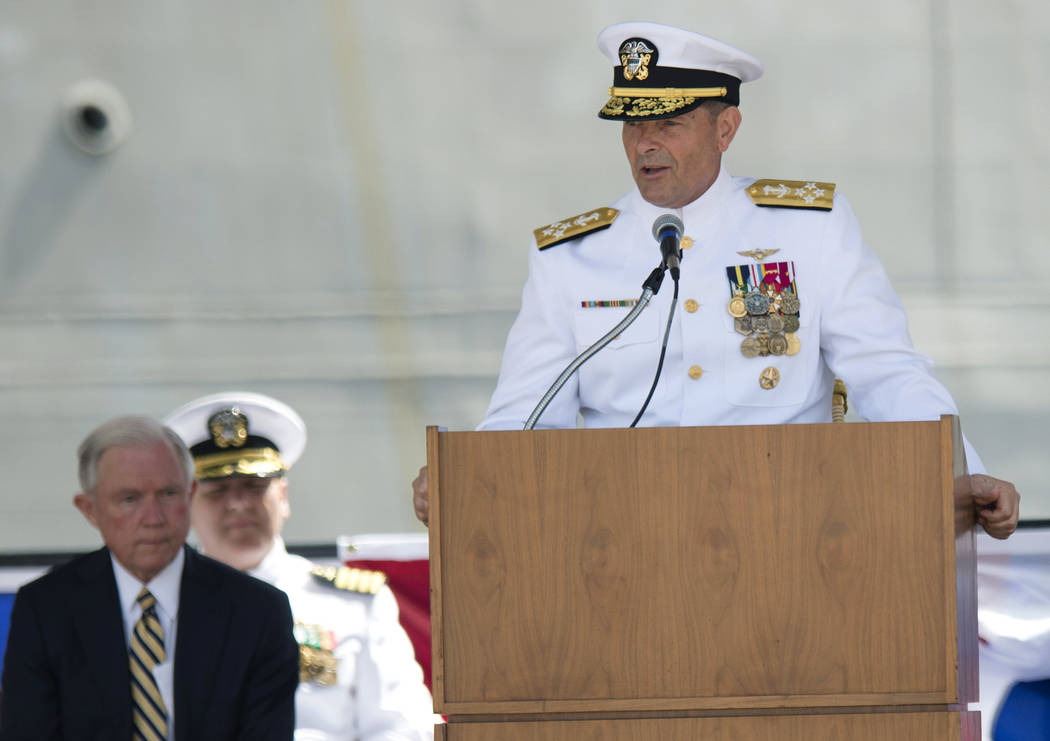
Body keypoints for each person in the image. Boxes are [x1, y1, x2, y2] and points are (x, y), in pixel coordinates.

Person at [411, 21, 1020, 539]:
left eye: (667, 124)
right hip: (617, 539)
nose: (644, 143)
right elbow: (527, 414)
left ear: (725, 129)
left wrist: (958, 474)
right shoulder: (570, 256)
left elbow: (887, 370)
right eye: (630, 124)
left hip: (787, 527)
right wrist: (465, 483)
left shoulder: (809, 230)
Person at [0, 415, 299, 741]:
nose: (154, 518)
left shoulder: (257, 611)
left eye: (169, 494)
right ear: (89, 509)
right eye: (130, 499)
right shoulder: (47, 609)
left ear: (190, 493)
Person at [164, 392, 437, 741]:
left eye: (254, 485)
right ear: (187, 505)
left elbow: (404, 728)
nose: (237, 503)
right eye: (217, 491)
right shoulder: (158, 607)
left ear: (283, 496)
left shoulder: (356, 604)